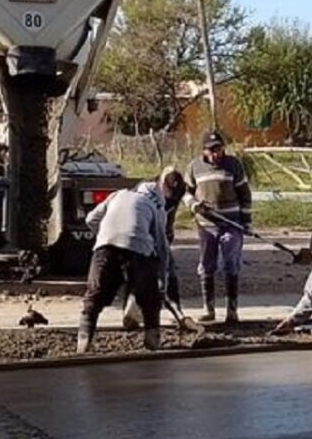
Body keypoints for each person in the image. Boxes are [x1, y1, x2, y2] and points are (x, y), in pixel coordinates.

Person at [77, 182, 170, 353]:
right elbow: (161, 248)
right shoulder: (153, 206)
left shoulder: (116, 195)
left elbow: (91, 219)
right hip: (138, 250)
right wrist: (162, 282)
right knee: (150, 297)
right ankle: (152, 338)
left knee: (94, 295)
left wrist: (105, 235)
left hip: (105, 247)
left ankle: (84, 340)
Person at [183, 131, 252, 323]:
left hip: (232, 223)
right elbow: (186, 191)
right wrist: (193, 204)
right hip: (206, 225)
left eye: (219, 149)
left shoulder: (233, 165)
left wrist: (246, 222)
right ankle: (209, 309)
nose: (216, 154)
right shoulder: (194, 167)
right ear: (204, 151)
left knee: (231, 265)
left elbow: (245, 195)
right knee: (207, 265)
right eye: (211, 150)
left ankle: (232, 310)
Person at [123, 167, 199, 331]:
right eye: (169, 192)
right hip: (140, 235)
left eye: (175, 193)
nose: (171, 197)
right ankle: (131, 310)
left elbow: (181, 202)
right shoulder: (145, 191)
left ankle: (178, 313)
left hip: (162, 234)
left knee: (168, 273)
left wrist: (193, 205)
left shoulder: (177, 191)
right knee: (141, 273)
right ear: (161, 183)